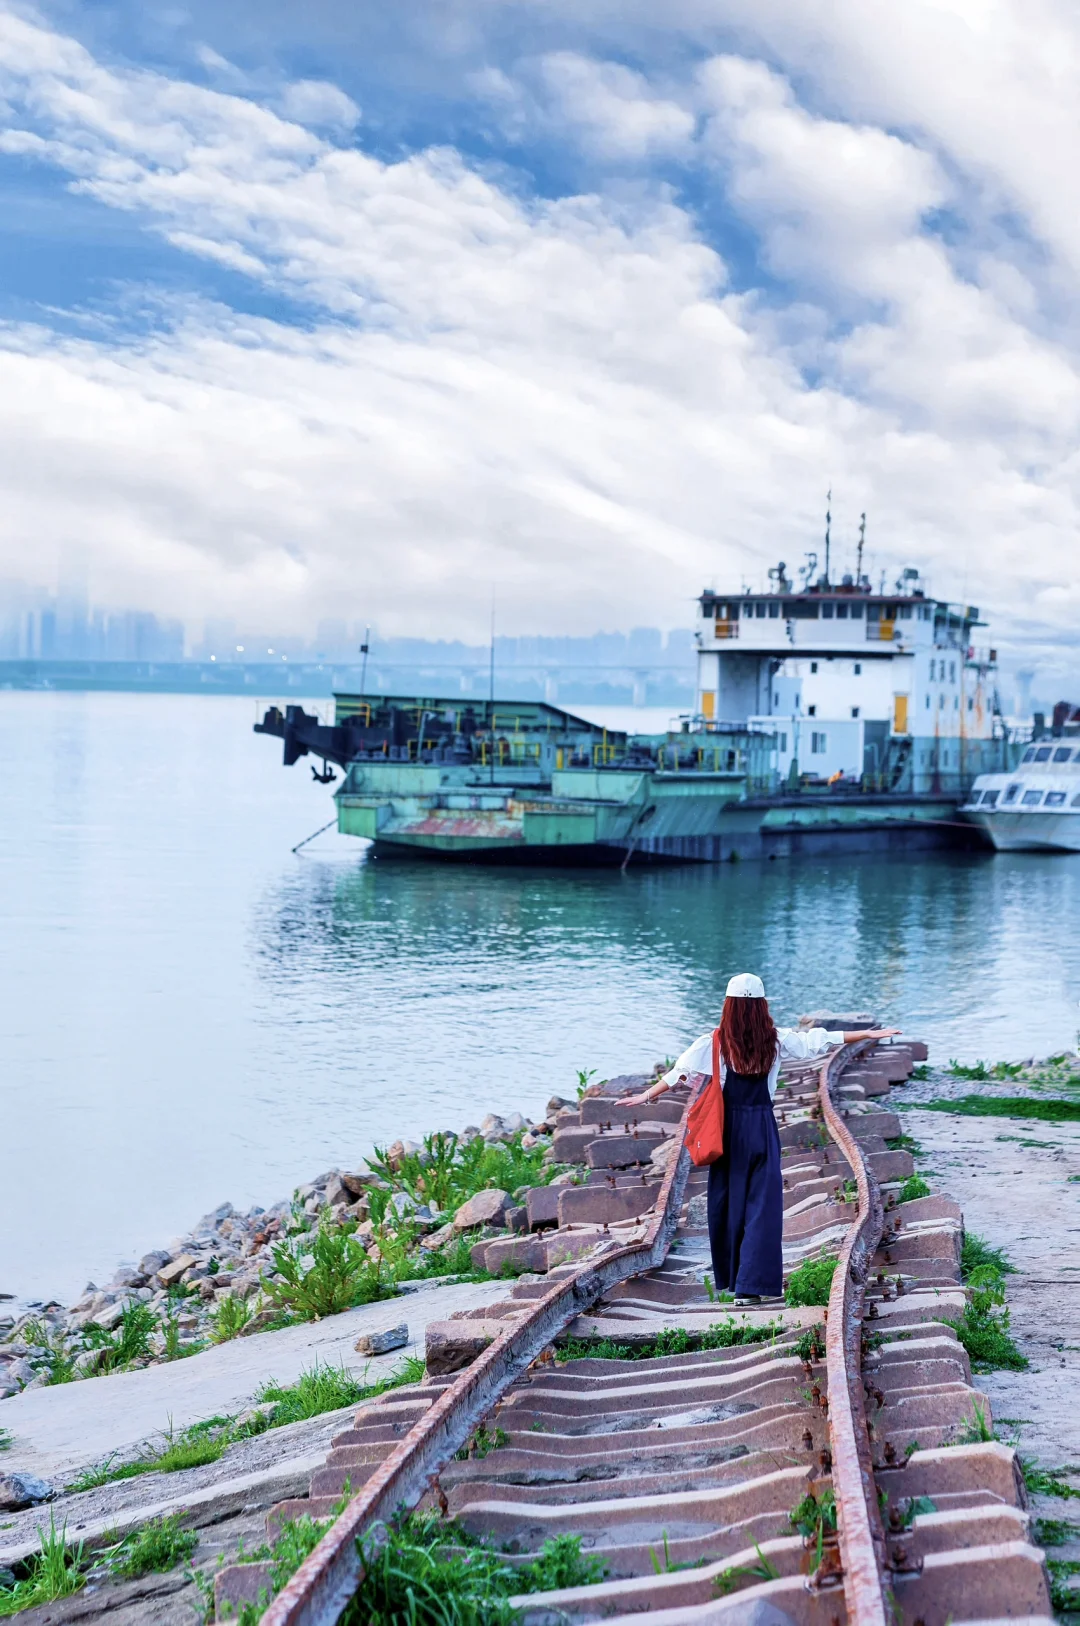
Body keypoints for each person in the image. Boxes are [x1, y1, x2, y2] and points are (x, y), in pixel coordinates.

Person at [625, 975, 900, 1306]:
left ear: (728, 1005)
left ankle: (734, 1279)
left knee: (729, 1204)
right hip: (761, 1127)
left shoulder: (714, 1042)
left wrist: (646, 1096)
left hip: (727, 1131)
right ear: (762, 1006)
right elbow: (818, 1040)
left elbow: (678, 1074)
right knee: (762, 1206)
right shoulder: (775, 1039)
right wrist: (866, 1034)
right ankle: (749, 1288)